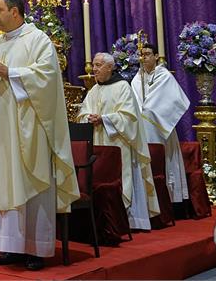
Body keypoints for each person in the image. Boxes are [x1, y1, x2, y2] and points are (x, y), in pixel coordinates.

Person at [0, 0, 79, 271]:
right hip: (1, 127)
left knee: (31, 182)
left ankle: (37, 248)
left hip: (29, 128)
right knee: (6, 183)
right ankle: (11, 246)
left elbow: (47, 78)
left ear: (15, 12)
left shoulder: (38, 40)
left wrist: (11, 72)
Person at [78, 53, 159, 230]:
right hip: (97, 143)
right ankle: (101, 221)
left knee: (120, 179)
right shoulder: (94, 90)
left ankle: (122, 219)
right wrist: (88, 118)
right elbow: (81, 113)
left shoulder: (122, 87)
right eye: (94, 65)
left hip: (117, 143)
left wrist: (105, 119)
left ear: (110, 67)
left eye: (98, 65)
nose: (94, 69)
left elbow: (129, 118)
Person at [131, 43, 190, 203]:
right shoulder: (137, 77)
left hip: (159, 127)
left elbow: (165, 100)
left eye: (148, 54)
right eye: (142, 55)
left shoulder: (164, 75)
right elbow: (134, 99)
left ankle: (168, 198)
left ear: (156, 56)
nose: (144, 57)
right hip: (141, 128)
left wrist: (145, 112)